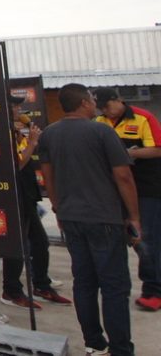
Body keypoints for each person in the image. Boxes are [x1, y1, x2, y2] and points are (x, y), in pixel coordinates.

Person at [39, 83, 140, 356]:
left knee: (84, 282)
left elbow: (48, 176)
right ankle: (121, 349)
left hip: (71, 218)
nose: (96, 104)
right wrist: (134, 216)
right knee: (114, 287)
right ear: (84, 103)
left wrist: (58, 209)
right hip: (104, 219)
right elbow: (123, 176)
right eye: (92, 100)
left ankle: (94, 343)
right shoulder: (102, 131)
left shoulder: (49, 134)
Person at [0, 97, 71, 310]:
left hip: (28, 194)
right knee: (18, 245)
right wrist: (32, 143)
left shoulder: (17, 131)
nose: (19, 109)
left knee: (39, 242)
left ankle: (41, 284)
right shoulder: (1, 132)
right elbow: (17, 165)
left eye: (19, 105)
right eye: (15, 106)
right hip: (14, 195)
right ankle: (11, 290)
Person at [95, 87, 161, 312]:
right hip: (115, 190)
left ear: (119, 100)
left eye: (107, 106)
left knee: (146, 239)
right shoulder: (99, 122)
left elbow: (157, 149)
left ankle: (154, 290)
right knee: (125, 239)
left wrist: (129, 153)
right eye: (101, 108)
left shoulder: (143, 118)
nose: (106, 111)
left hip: (146, 190)